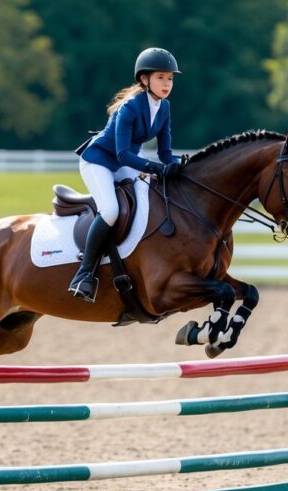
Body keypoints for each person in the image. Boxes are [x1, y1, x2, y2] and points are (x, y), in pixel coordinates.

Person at [68, 47, 184, 303]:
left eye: (170, 79)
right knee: (110, 210)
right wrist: (156, 168)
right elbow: (122, 156)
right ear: (144, 79)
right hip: (99, 161)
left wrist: (183, 166)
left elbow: (166, 154)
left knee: (148, 200)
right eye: (161, 78)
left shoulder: (164, 108)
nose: (167, 84)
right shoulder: (130, 107)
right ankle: (84, 274)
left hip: (127, 160)